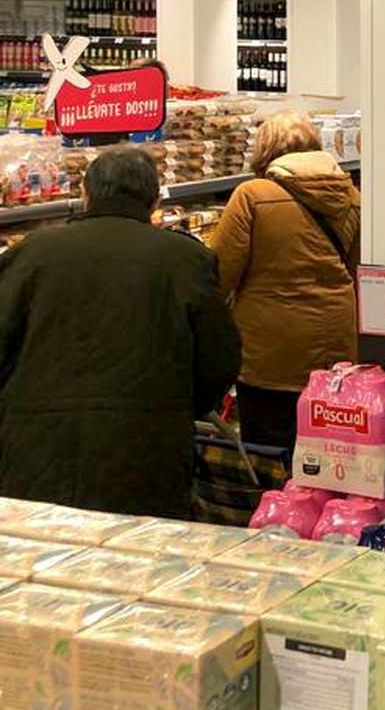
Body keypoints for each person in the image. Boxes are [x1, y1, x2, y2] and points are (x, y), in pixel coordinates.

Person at [0, 146, 239, 517]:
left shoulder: (32, 253)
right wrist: (176, 406)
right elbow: (219, 359)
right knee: (137, 565)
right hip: (146, 447)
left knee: (41, 564)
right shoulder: (186, 260)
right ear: (154, 199)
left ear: (86, 194)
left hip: (37, 447)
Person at [209, 111, 360, 449]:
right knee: (327, 450)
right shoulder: (351, 195)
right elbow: (358, 270)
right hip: (336, 344)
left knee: (271, 451)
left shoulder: (252, 196)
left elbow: (217, 276)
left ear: (264, 149)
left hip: (270, 353)